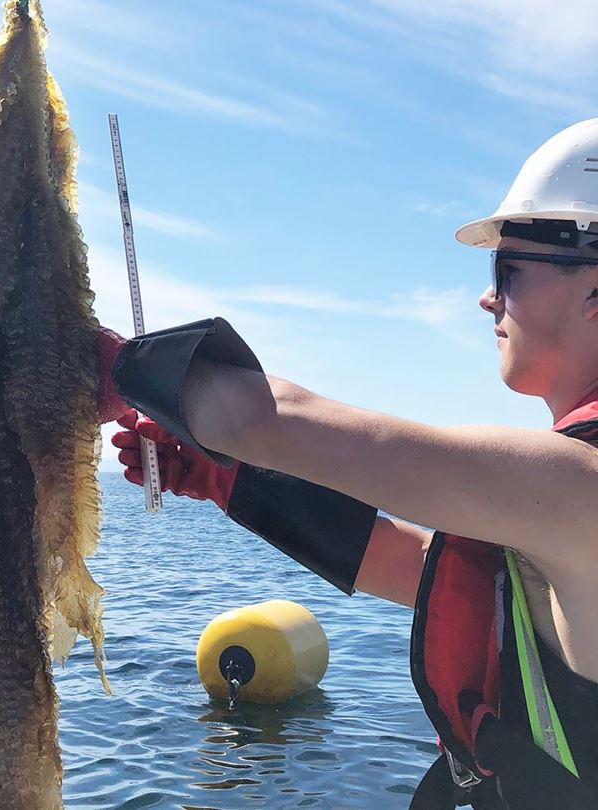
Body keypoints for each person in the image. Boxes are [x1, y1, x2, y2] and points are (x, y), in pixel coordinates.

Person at [96, 118, 598, 809]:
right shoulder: (563, 509)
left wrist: (119, 366)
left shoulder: (580, 488)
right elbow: (412, 567)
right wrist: (227, 479)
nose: (488, 298)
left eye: (506, 271)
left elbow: (263, 419)